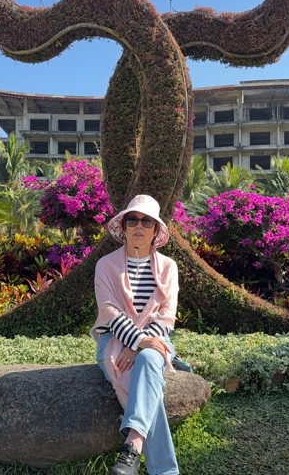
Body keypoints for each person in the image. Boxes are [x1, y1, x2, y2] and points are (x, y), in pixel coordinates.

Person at [91, 194, 179, 475]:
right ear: (124, 227)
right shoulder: (106, 265)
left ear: (156, 230)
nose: (139, 226)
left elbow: (166, 317)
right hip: (115, 341)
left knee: (150, 359)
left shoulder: (168, 267)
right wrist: (138, 341)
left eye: (146, 221)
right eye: (133, 220)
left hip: (155, 338)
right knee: (143, 375)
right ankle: (165, 470)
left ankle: (133, 444)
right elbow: (109, 313)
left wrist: (140, 346)